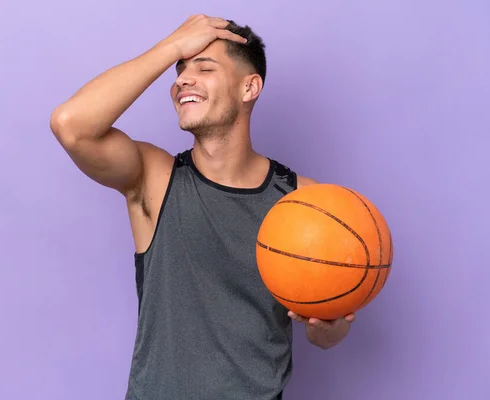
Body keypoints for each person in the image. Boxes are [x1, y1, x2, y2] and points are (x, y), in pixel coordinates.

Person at [50, 14, 355, 400]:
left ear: (250, 87)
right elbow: (70, 124)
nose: (181, 80)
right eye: (179, 70)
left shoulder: (305, 201)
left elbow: (328, 332)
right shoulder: (155, 180)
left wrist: (329, 327)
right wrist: (171, 46)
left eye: (204, 67)